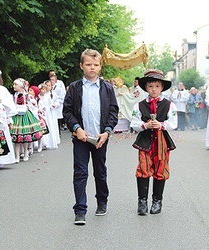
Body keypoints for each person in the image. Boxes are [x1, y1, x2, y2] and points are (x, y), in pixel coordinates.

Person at [63, 49, 119, 225]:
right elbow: (67, 111)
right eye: (88, 64)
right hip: (81, 137)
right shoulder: (74, 88)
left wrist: (107, 131)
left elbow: (113, 112)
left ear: (100, 66)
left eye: (95, 65)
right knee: (80, 172)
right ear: (81, 66)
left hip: (100, 137)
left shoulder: (107, 89)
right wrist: (76, 128)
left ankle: (102, 200)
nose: (92, 68)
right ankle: (80, 209)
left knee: (100, 171)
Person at [130, 69, 177, 215]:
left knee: (161, 169)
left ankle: (157, 201)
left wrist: (161, 125)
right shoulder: (139, 105)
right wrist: (145, 125)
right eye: (150, 86)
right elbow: (133, 122)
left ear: (162, 87)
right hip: (145, 141)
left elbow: (173, 123)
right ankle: (142, 202)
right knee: (143, 168)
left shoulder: (169, 105)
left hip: (161, 141)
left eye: (157, 86)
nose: (154, 89)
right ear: (146, 88)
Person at [10, 78, 43, 162]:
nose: (14, 86)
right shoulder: (14, 96)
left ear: (21, 86)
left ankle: (25, 152)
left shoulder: (27, 95)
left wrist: (28, 106)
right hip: (16, 116)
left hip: (24, 116)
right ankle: (17, 156)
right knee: (16, 137)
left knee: (25, 135)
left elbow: (33, 104)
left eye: (15, 85)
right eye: (14, 84)